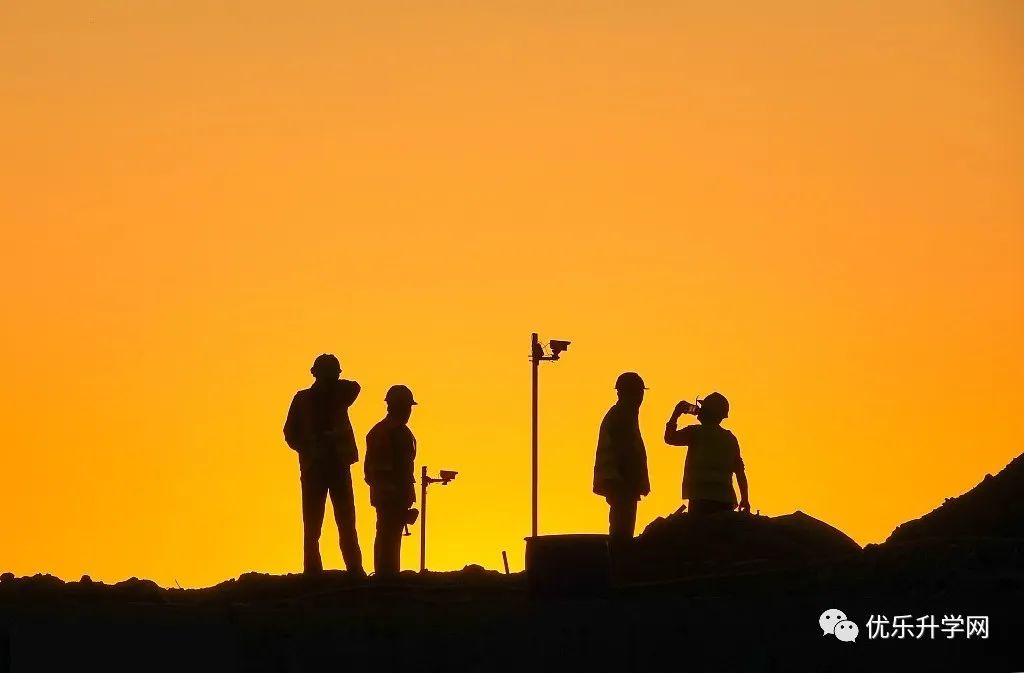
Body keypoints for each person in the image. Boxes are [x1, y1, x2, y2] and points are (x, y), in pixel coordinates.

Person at [283, 354, 365, 575]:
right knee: (313, 525)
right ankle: (313, 571)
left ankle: (354, 569)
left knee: (346, 522)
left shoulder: (339, 396)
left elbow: (355, 387)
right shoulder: (302, 400)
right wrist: (309, 448)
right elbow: (289, 432)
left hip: (338, 464)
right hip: (315, 467)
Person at [664, 392, 750, 515]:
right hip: (725, 500)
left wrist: (675, 414)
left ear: (707, 412)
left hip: (700, 498)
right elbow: (740, 472)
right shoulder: (730, 438)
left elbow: (669, 438)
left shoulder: (695, 433)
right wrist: (745, 499)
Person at [364, 384, 418, 578]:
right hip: (390, 494)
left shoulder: (391, 432)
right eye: (406, 407)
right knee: (388, 535)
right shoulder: (390, 433)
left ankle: (387, 573)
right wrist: (397, 494)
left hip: (392, 494)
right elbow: (380, 470)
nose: (408, 412)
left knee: (389, 535)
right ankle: (386, 575)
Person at [593, 372, 651, 545]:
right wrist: (635, 480)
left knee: (621, 529)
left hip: (619, 481)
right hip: (620, 482)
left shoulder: (623, 415)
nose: (641, 398)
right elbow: (626, 451)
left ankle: (618, 559)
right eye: (638, 393)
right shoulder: (622, 416)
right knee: (622, 533)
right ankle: (618, 563)